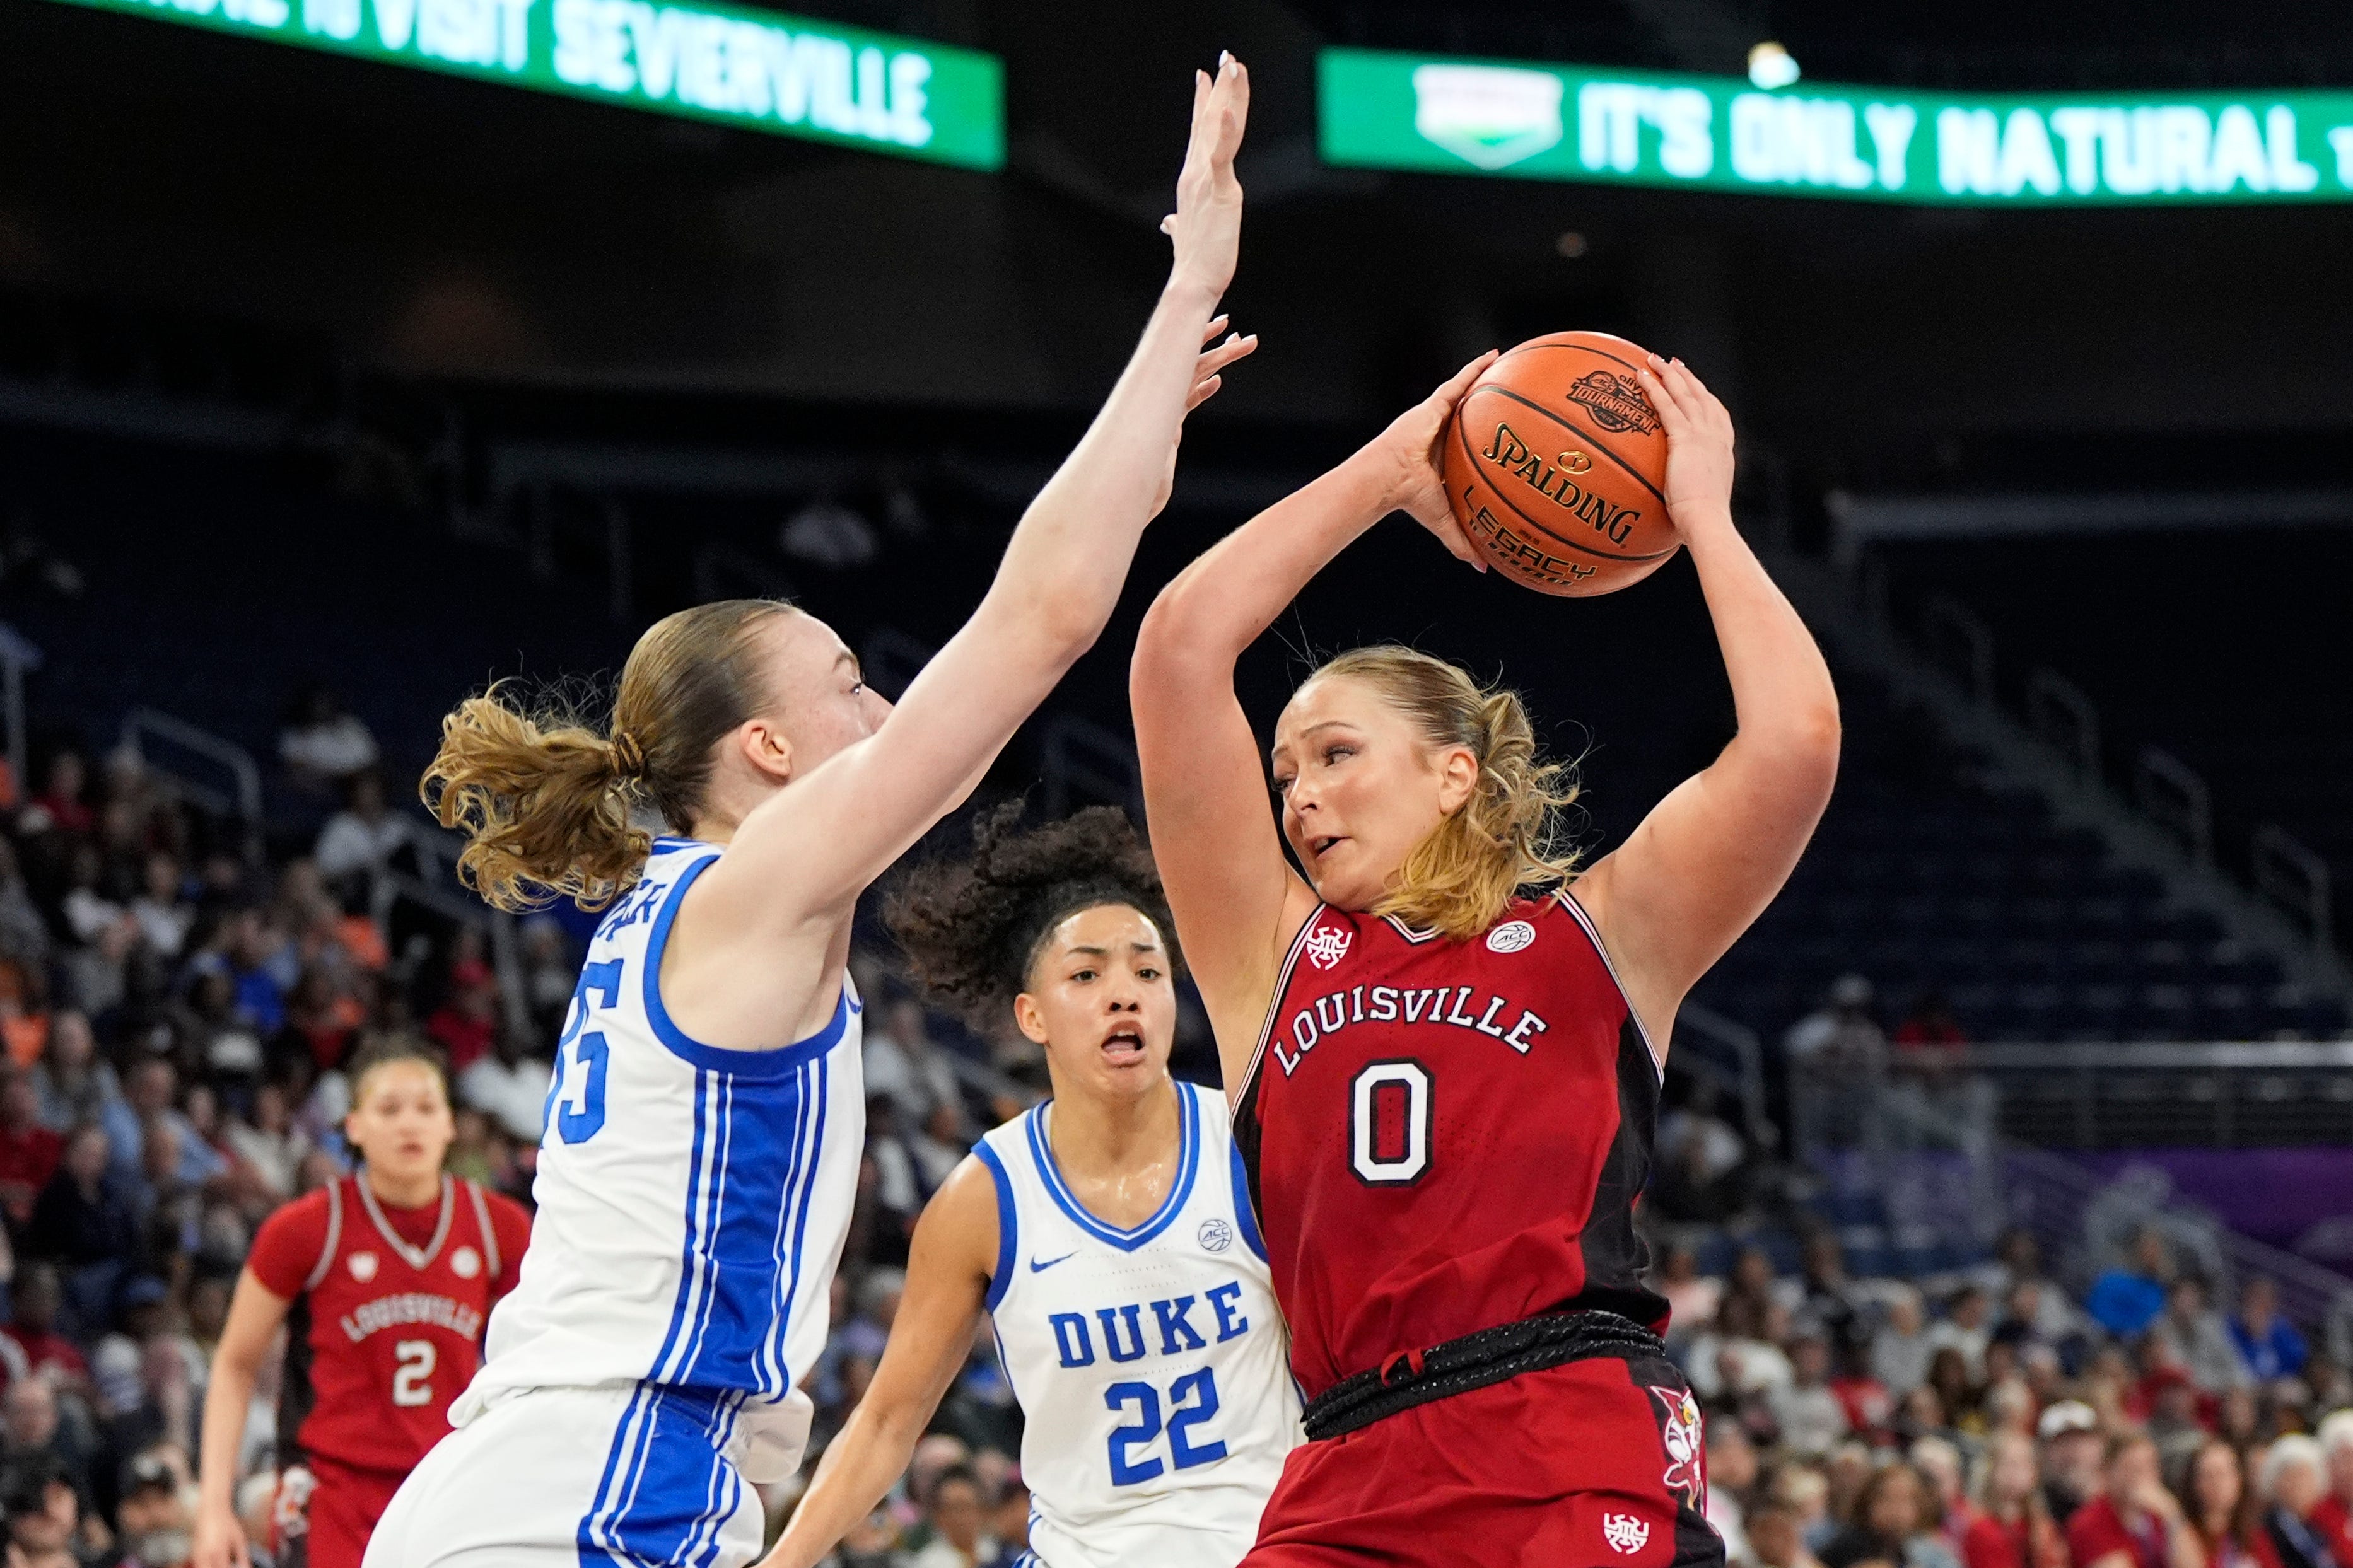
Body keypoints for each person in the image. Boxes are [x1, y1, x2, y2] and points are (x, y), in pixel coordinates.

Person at [364, 57, 1255, 1568]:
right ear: (768, 747)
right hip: (596, 1480)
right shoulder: (749, 881)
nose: (887, 712)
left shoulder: (700, 909)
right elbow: (1038, 621)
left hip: (556, 1478)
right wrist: (1181, 299)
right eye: (851, 683)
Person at [1132, 328, 1838, 1565]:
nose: (1297, 795)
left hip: (1558, 1429)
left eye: (1336, 753)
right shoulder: (1267, 954)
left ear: (1452, 771)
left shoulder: (1601, 931)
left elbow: (1789, 745)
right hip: (1344, 1465)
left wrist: (1703, 520)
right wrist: (1393, 470)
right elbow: (1178, 652)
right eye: (1284, 769)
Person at [765, 807, 1299, 1568]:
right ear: (1031, 1015)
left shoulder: (1252, 1144)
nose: (1125, 995)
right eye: (1086, 974)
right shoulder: (982, 1199)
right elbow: (887, 1420)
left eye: (1147, 971)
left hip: (1263, 1547)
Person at [192, 1041, 531, 1568]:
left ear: (450, 1125)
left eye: (426, 1107)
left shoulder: (498, 1227)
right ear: (353, 1125)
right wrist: (214, 1508)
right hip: (331, 1486)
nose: (409, 1124)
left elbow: (536, 1356)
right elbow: (236, 1363)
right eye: (389, 1109)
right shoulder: (305, 1229)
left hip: (446, 1480)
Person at [2067, 1433, 2207, 1568]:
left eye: (2148, 1466)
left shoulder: (2159, 1516)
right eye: (2131, 1467)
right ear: (2108, 1473)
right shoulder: (2088, 1522)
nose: (2141, 1476)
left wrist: (2172, 1515)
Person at [1964, 1431, 2068, 1568]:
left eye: (2023, 1464)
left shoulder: (2042, 1528)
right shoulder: (1979, 1526)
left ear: (2034, 1473)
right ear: (1991, 1471)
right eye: (2008, 1463)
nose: (2014, 1472)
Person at [2259, 1437, 2332, 1568]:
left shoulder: (2322, 1524)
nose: (2298, 1484)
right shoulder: (2267, 1528)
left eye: (2304, 1476)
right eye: (2291, 1476)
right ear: (2275, 1482)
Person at [2226, 1278, 2306, 1384]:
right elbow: (2230, 1361)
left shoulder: (2282, 1328)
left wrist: (2264, 1336)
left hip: (2279, 1383)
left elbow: (2298, 1359)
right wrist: (2253, 1337)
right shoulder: (2231, 1326)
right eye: (2253, 1297)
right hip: (2245, 1384)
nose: (2256, 1303)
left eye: (2263, 1299)